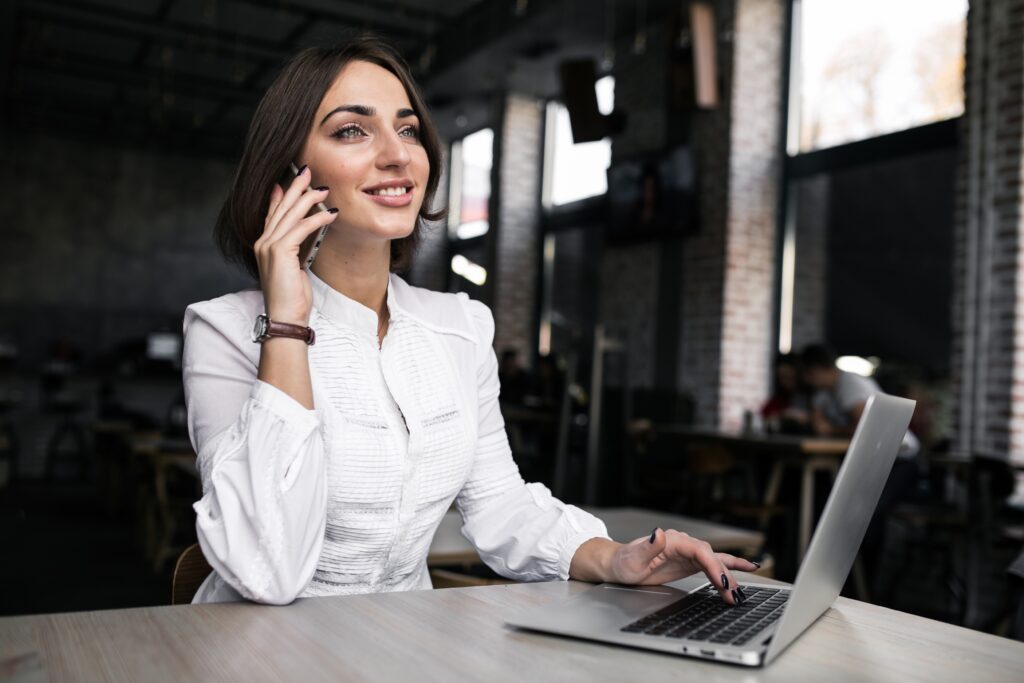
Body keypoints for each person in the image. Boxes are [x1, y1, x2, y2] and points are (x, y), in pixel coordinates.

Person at [182, 37, 757, 605]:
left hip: (401, 650)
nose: (398, 154)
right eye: (352, 130)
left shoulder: (460, 326)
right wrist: (286, 319)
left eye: (407, 130)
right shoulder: (225, 331)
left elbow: (498, 504)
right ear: (288, 174)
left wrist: (616, 557)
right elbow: (266, 570)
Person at [760, 353, 810, 434]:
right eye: (781, 377)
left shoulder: (812, 395)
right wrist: (783, 415)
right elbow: (765, 414)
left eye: (787, 376)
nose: (784, 382)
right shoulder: (781, 397)